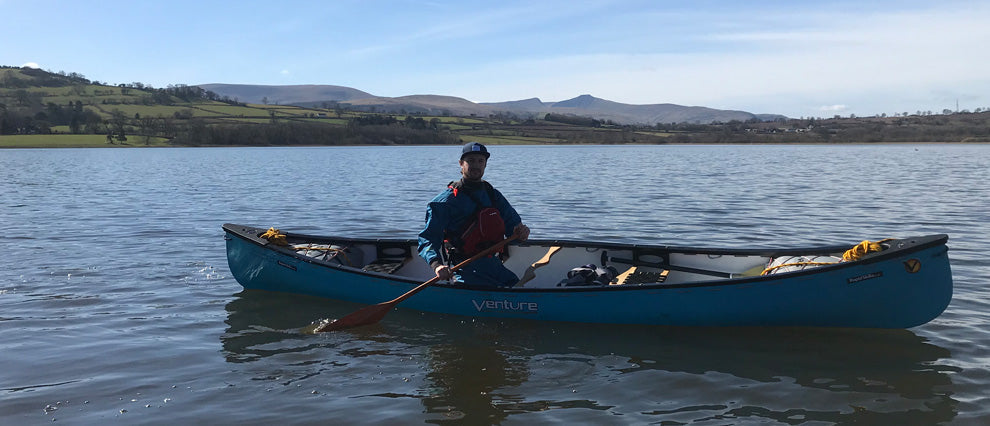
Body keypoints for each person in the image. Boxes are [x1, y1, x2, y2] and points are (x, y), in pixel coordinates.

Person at [418, 142, 530, 287]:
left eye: (480, 161)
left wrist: (521, 234)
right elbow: (427, 238)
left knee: (515, 285)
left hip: (494, 265)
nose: (476, 165)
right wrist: (437, 265)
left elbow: (514, 231)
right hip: (464, 268)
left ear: (485, 164)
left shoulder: (493, 195)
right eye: (470, 161)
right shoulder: (444, 202)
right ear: (461, 164)